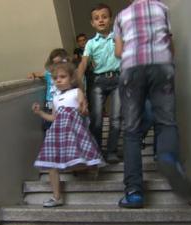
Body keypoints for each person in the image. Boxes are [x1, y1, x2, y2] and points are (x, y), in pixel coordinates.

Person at [113, 0, 191, 208]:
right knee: (166, 122)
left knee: (131, 132)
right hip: (161, 66)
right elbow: (170, 46)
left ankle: (133, 193)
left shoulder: (121, 16)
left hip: (131, 68)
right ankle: (167, 156)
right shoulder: (162, 9)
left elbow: (118, 52)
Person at [32, 62, 105, 207]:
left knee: (77, 160)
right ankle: (56, 197)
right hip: (57, 132)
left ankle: (92, 167)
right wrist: (40, 112)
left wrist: (84, 109)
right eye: (55, 78)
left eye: (62, 77)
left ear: (71, 79)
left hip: (74, 131)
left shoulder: (77, 92)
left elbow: (84, 110)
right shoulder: (55, 99)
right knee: (52, 164)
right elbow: (54, 118)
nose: (58, 80)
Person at [77, 3, 121, 163]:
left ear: (110, 20)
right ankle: (96, 152)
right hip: (98, 81)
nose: (101, 20)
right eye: (97, 18)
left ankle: (111, 152)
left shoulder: (117, 37)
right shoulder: (90, 43)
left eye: (104, 17)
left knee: (116, 118)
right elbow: (83, 64)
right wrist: (78, 87)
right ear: (92, 23)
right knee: (96, 119)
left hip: (118, 80)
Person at [27, 48, 70, 134]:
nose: (57, 66)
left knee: (65, 129)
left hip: (64, 105)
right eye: (54, 63)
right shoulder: (48, 73)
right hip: (50, 106)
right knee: (49, 129)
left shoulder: (68, 74)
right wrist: (32, 74)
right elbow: (36, 74)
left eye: (60, 63)